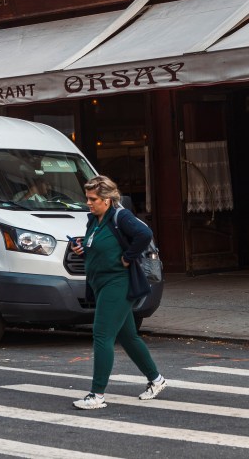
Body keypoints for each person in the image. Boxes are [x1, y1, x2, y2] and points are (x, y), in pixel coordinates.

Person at [68, 175, 166, 410]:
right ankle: (156, 380)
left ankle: (97, 395)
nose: (88, 203)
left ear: (107, 200)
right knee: (127, 336)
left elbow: (144, 235)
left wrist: (127, 257)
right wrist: (81, 247)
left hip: (118, 283)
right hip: (100, 283)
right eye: (87, 198)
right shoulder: (94, 220)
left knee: (102, 335)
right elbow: (97, 246)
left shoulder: (121, 217)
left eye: (93, 199)